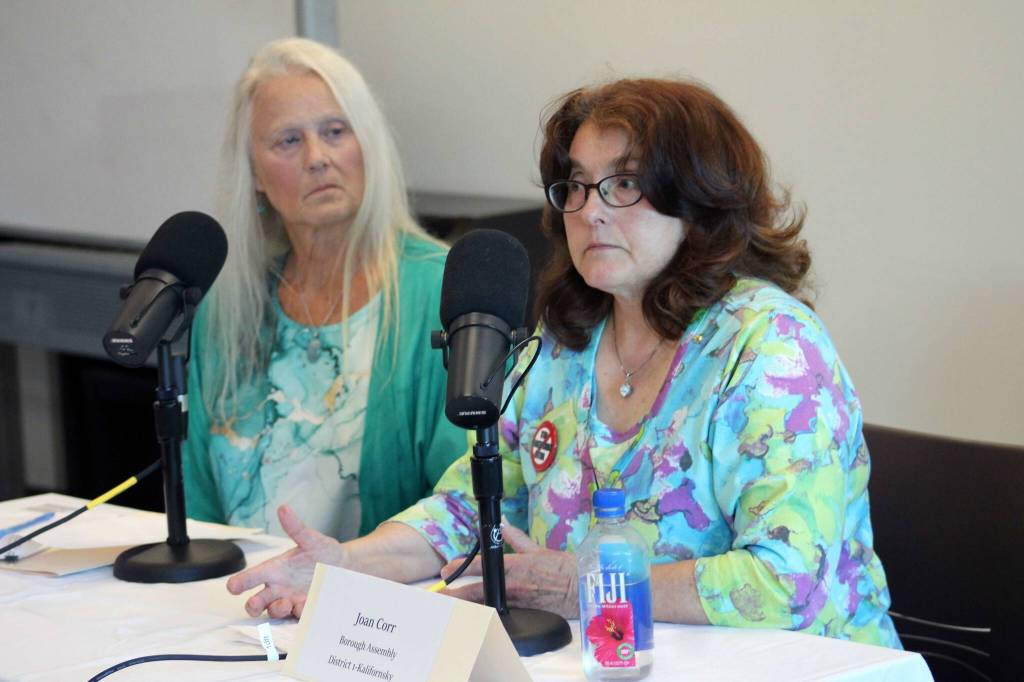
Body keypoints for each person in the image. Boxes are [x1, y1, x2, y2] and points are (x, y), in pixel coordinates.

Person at [225, 78, 901, 648]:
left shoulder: (770, 346)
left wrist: (584, 585)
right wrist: (348, 566)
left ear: (700, 199)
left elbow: (784, 582)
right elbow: (474, 505)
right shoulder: (566, 339)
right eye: (575, 186)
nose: (589, 212)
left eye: (625, 185)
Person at [181, 37, 465, 541]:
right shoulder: (230, 306)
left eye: (335, 131)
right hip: (237, 603)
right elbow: (197, 494)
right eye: (288, 141)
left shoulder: (442, 289)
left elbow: (466, 497)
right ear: (255, 176)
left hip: (377, 607)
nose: (318, 158)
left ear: (367, 145)